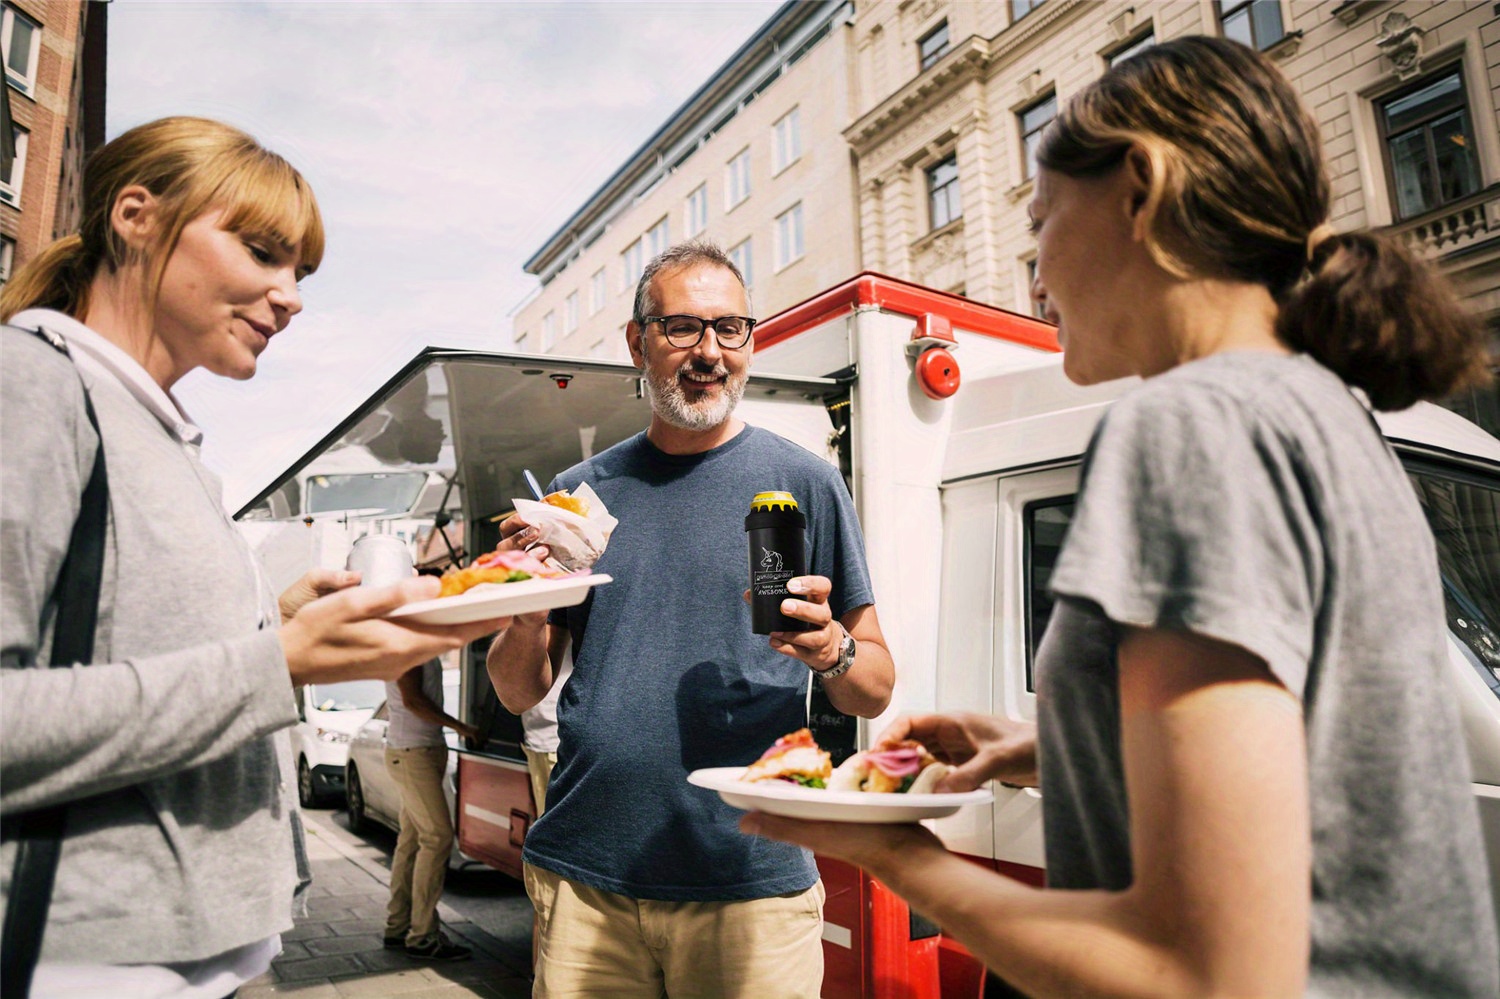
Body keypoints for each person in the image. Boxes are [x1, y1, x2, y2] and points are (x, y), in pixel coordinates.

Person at [741, 36, 1499, 998]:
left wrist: (887, 847)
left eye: (1044, 219)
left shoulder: (1187, 425)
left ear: (1139, 190)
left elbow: (1200, 973)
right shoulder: (1321, 409)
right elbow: (1315, 754)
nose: (1039, 270)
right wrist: (1054, 746)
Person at [0, 116, 507, 998]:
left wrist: (282, 623)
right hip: (86, 963)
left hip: (208, 954)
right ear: (136, 216)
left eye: (299, 271)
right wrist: (276, 662)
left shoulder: (169, 440)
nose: (291, 296)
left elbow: (117, 648)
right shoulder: (32, 388)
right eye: (264, 252)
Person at [486, 240, 896, 998]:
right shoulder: (583, 492)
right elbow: (518, 691)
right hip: (590, 874)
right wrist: (523, 612)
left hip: (751, 876)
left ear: (750, 341)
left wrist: (833, 647)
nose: (708, 351)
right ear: (638, 342)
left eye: (729, 328)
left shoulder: (803, 481)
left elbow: (872, 686)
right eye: (681, 328)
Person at [382, 659, 481, 961]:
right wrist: (461, 726)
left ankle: (398, 925)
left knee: (412, 840)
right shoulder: (407, 646)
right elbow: (413, 701)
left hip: (422, 749)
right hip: (413, 753)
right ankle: (422, 936)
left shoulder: (420, 643)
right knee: (437, 836)